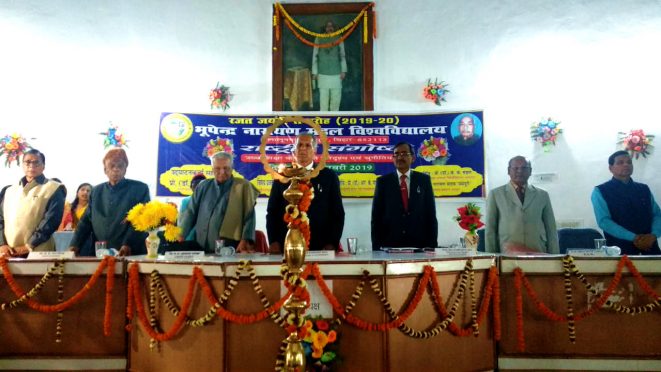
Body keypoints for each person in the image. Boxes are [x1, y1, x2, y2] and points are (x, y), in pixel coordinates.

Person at [267, 133, 345, 252]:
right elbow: (272, 212)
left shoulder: (328, 176)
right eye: (299, 145)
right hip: (286, 244)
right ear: (294, 150)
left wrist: (332, 242)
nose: (303, 149)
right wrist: (273, 241)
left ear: (314, 150)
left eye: (308, 145)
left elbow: (337, 213)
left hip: (320, 246)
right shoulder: (282, 176)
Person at [68, 149, 150, 256]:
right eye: (112, 166)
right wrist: (74, 245)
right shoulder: (96, 191)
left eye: (120, 166)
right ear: (105, 170)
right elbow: (85, 222)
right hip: (100, 252)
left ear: (125, 169)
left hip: (130, 252)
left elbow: (141, 221)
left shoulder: (140, 189)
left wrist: (128, 244)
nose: (116, 169)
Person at [179, 152, 259, 253]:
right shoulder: (203, 186)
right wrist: (180, 234)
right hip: (201, 247)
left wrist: (245, 240)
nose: (222, 172)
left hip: (230, 249)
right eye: (217, 168)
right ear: (212, 169)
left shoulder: (242, 187)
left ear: (232, 168)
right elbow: (190, 212)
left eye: (226, 168)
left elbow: (249, 217)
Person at [591, 150, 661, 255]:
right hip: (619, 251)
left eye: (629, 162)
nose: (626, 165)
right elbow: (604, 222)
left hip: (650, 247)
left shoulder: (643, 189)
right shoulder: (601, 191)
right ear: (611, 168)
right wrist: (634, 237)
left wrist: (653, 235)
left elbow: (657, 215)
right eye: (620, 162)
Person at [485, 156, 559, 254]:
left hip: (538, 252)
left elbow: (551, 230)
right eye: (515, 168)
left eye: (524, 168)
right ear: (508, 171)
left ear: (530, 171)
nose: (519, 171)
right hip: (508, 254)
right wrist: (492, 260)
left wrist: (555, 258)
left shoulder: (542, 195)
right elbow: (490, 230)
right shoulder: (496, 194)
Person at [371, 142, 438, 250]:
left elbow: (431, 215)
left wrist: (432, 245)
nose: (399, 157)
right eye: (396, 154)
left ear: (413, 158)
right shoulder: (383, 182)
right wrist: (376, 248)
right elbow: (376, 218)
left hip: (419, 245)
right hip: (390, 245)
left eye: (404, 154)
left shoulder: (423, 180)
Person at [0, 149, 65, 257]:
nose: (31, 165)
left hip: (39, 250)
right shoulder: (9, 190)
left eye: (36, 162)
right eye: (28, 162)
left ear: (43, 166)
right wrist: (2, 244)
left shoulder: (54, 188)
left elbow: (51, 221)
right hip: (8, 252)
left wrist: (29, 245)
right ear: (22, 165)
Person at [312, 20, 347, 111]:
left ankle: (334, 119)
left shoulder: (339, 37)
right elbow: (315, 55)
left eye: (331, 26)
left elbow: (342, 54)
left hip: (336, 72)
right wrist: (315, 72)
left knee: (336, 99)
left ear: (334, 27)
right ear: (325, 27)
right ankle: (324, 120)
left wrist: (343, 70)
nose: (329, 28)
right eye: (328, 26)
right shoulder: (318, 38)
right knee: (323, 100)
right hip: (322, 72)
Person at [178, 173, 206, 241]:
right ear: (191, 186)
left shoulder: (209, 201)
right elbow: (181, 223)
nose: (198, 186)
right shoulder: (186, 201)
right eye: (195, 184)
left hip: (204, 240)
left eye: (201, 184)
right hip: (189, 239)